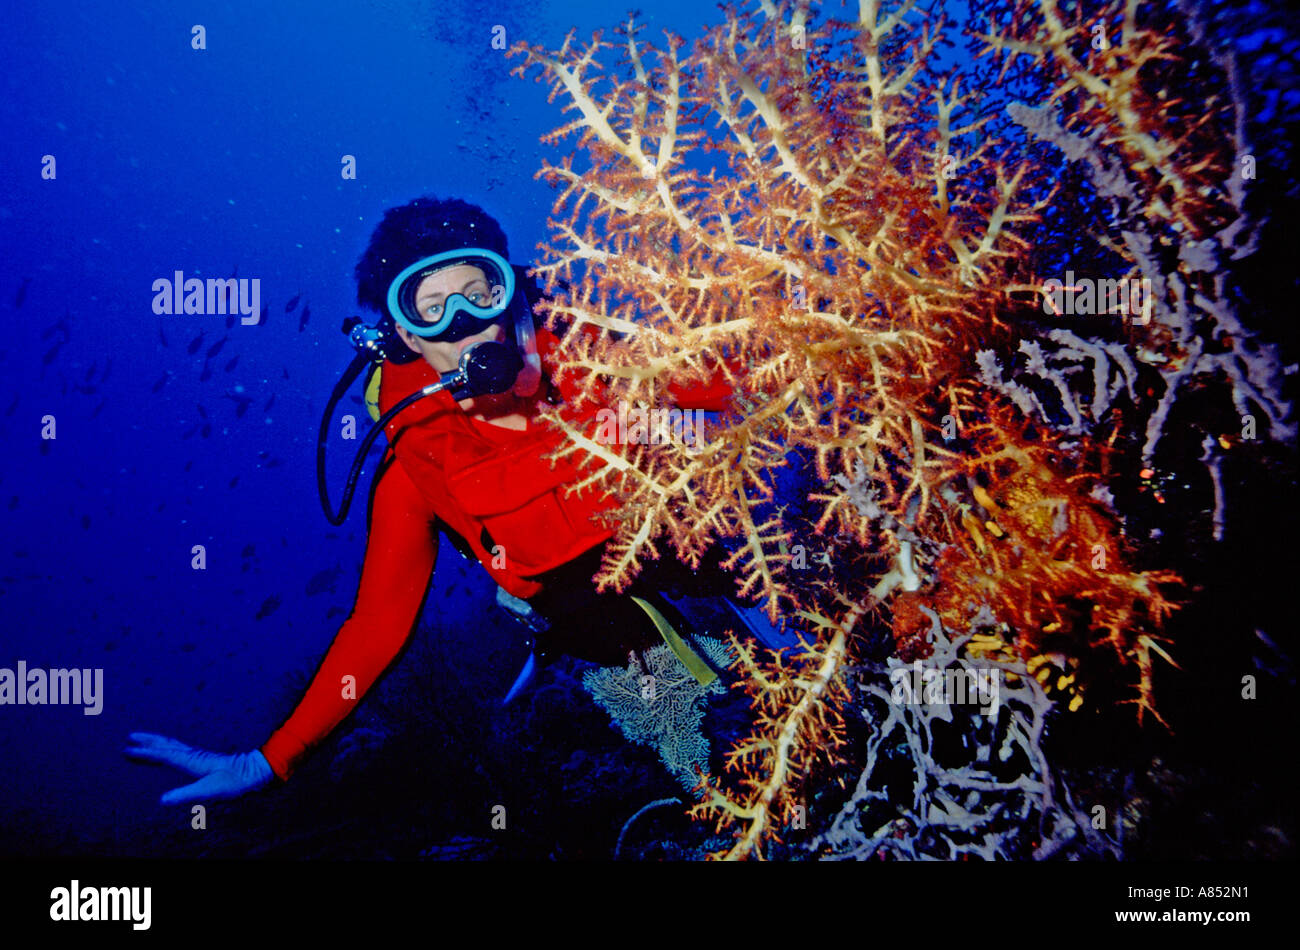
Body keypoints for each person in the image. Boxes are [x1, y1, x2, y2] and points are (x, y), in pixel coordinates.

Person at [125, 196, 735, 804]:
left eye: (479, 292)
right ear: (405, 336)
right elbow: (377, 624)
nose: (464, 324)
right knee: (694, 731)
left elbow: (735, 382)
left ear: (512, 292)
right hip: (570, 594)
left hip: (669, 523)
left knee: (768, 590)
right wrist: (269, 758)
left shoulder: (595, 353)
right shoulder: (418, 459)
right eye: (433, 308)